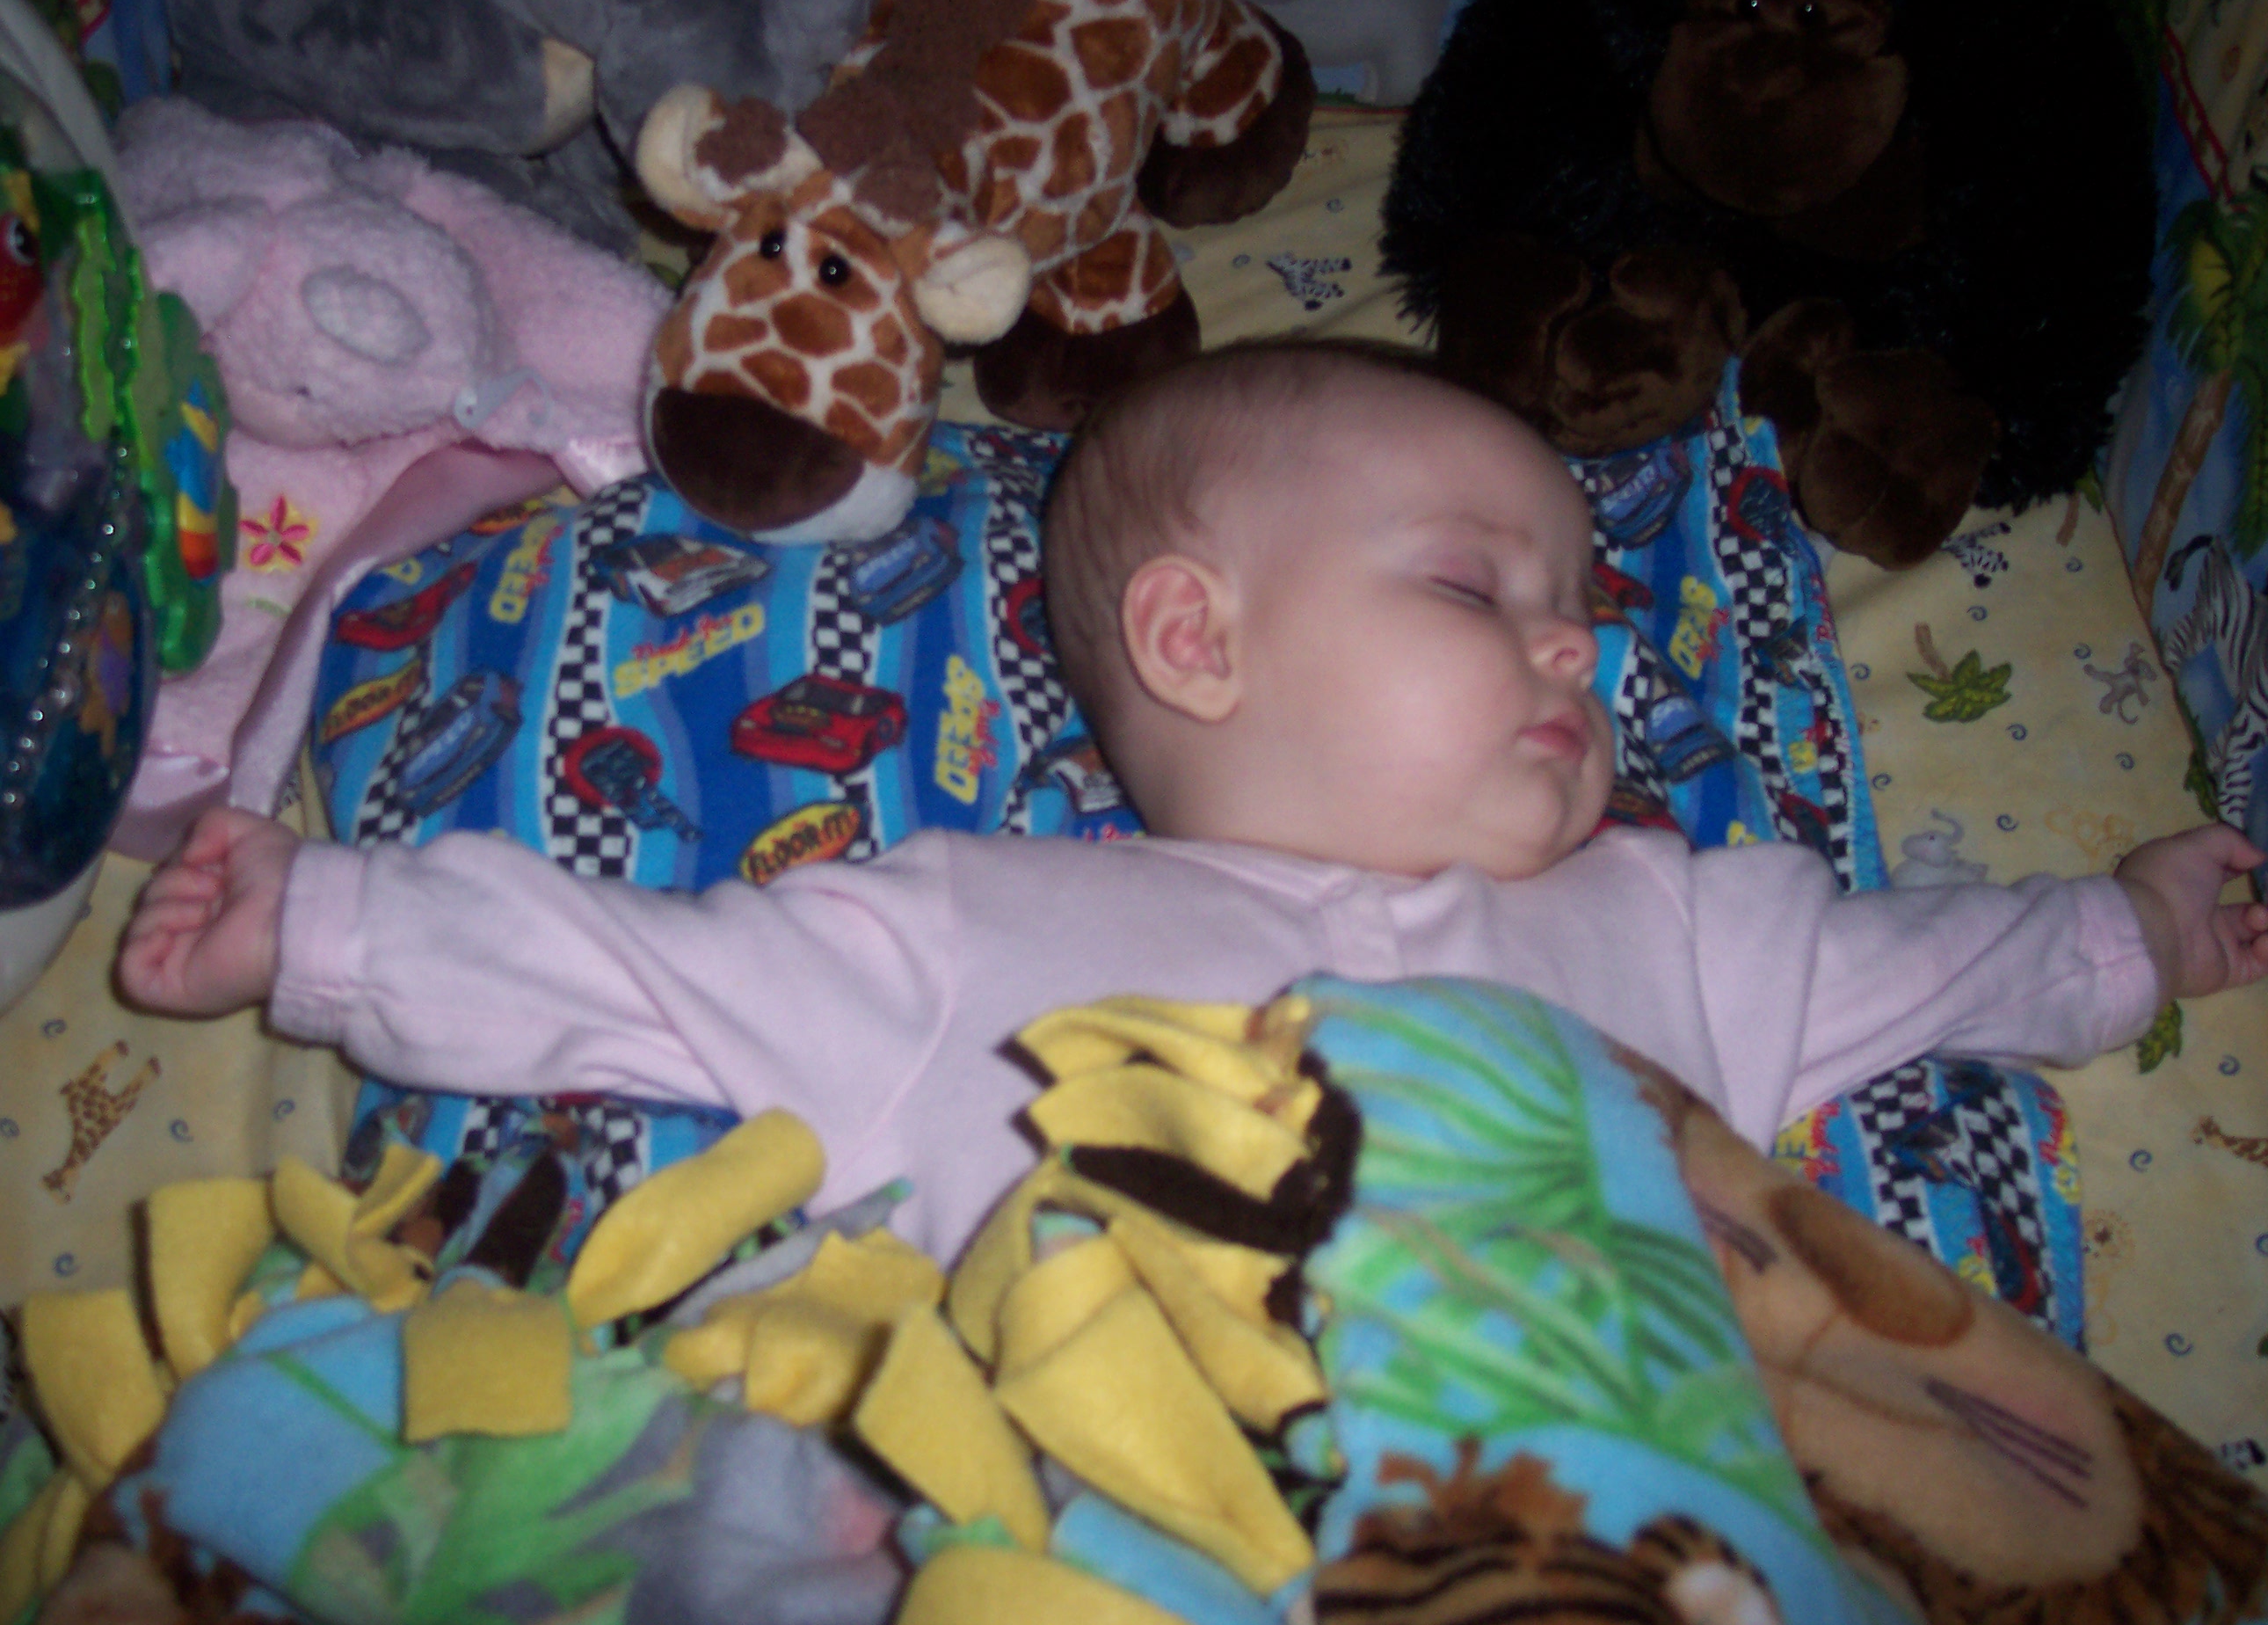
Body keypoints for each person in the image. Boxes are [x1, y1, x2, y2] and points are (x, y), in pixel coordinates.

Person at [116, 342, 2268, 1266]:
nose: (1575, 662)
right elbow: (633, 980)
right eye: (1478, 592)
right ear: (1196, 638)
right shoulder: (974, 931)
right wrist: (323, 922)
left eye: (1584, 619)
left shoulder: (1679, 922)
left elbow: (1934, 967)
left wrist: (2138, 929)